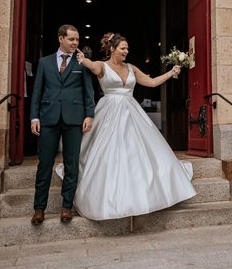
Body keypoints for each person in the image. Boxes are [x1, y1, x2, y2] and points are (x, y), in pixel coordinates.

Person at [69, 33, 196, 220]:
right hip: (108, 112)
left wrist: (171, 73)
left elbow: (151, 83)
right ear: (112, 49)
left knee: (137, 150)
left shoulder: (131, 68)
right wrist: (82, 59)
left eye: (127, 48)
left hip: (131, 111)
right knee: (107, 151)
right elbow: (91, 65)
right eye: (122, 48)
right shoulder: (102, 66)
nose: (126, 51)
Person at [29, 25, 96, 225]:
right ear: (60, 39)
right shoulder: (44, 62)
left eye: (77, 40)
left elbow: (88, 91)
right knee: (45, 164)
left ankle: (66, 206)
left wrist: (89, 114)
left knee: (71, 164)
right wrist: (34, 117)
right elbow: (37, 92)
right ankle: (39, 208)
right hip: (48, 118)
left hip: (74, 119)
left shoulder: (81, 63)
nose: (75, 43)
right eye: (72, 39)